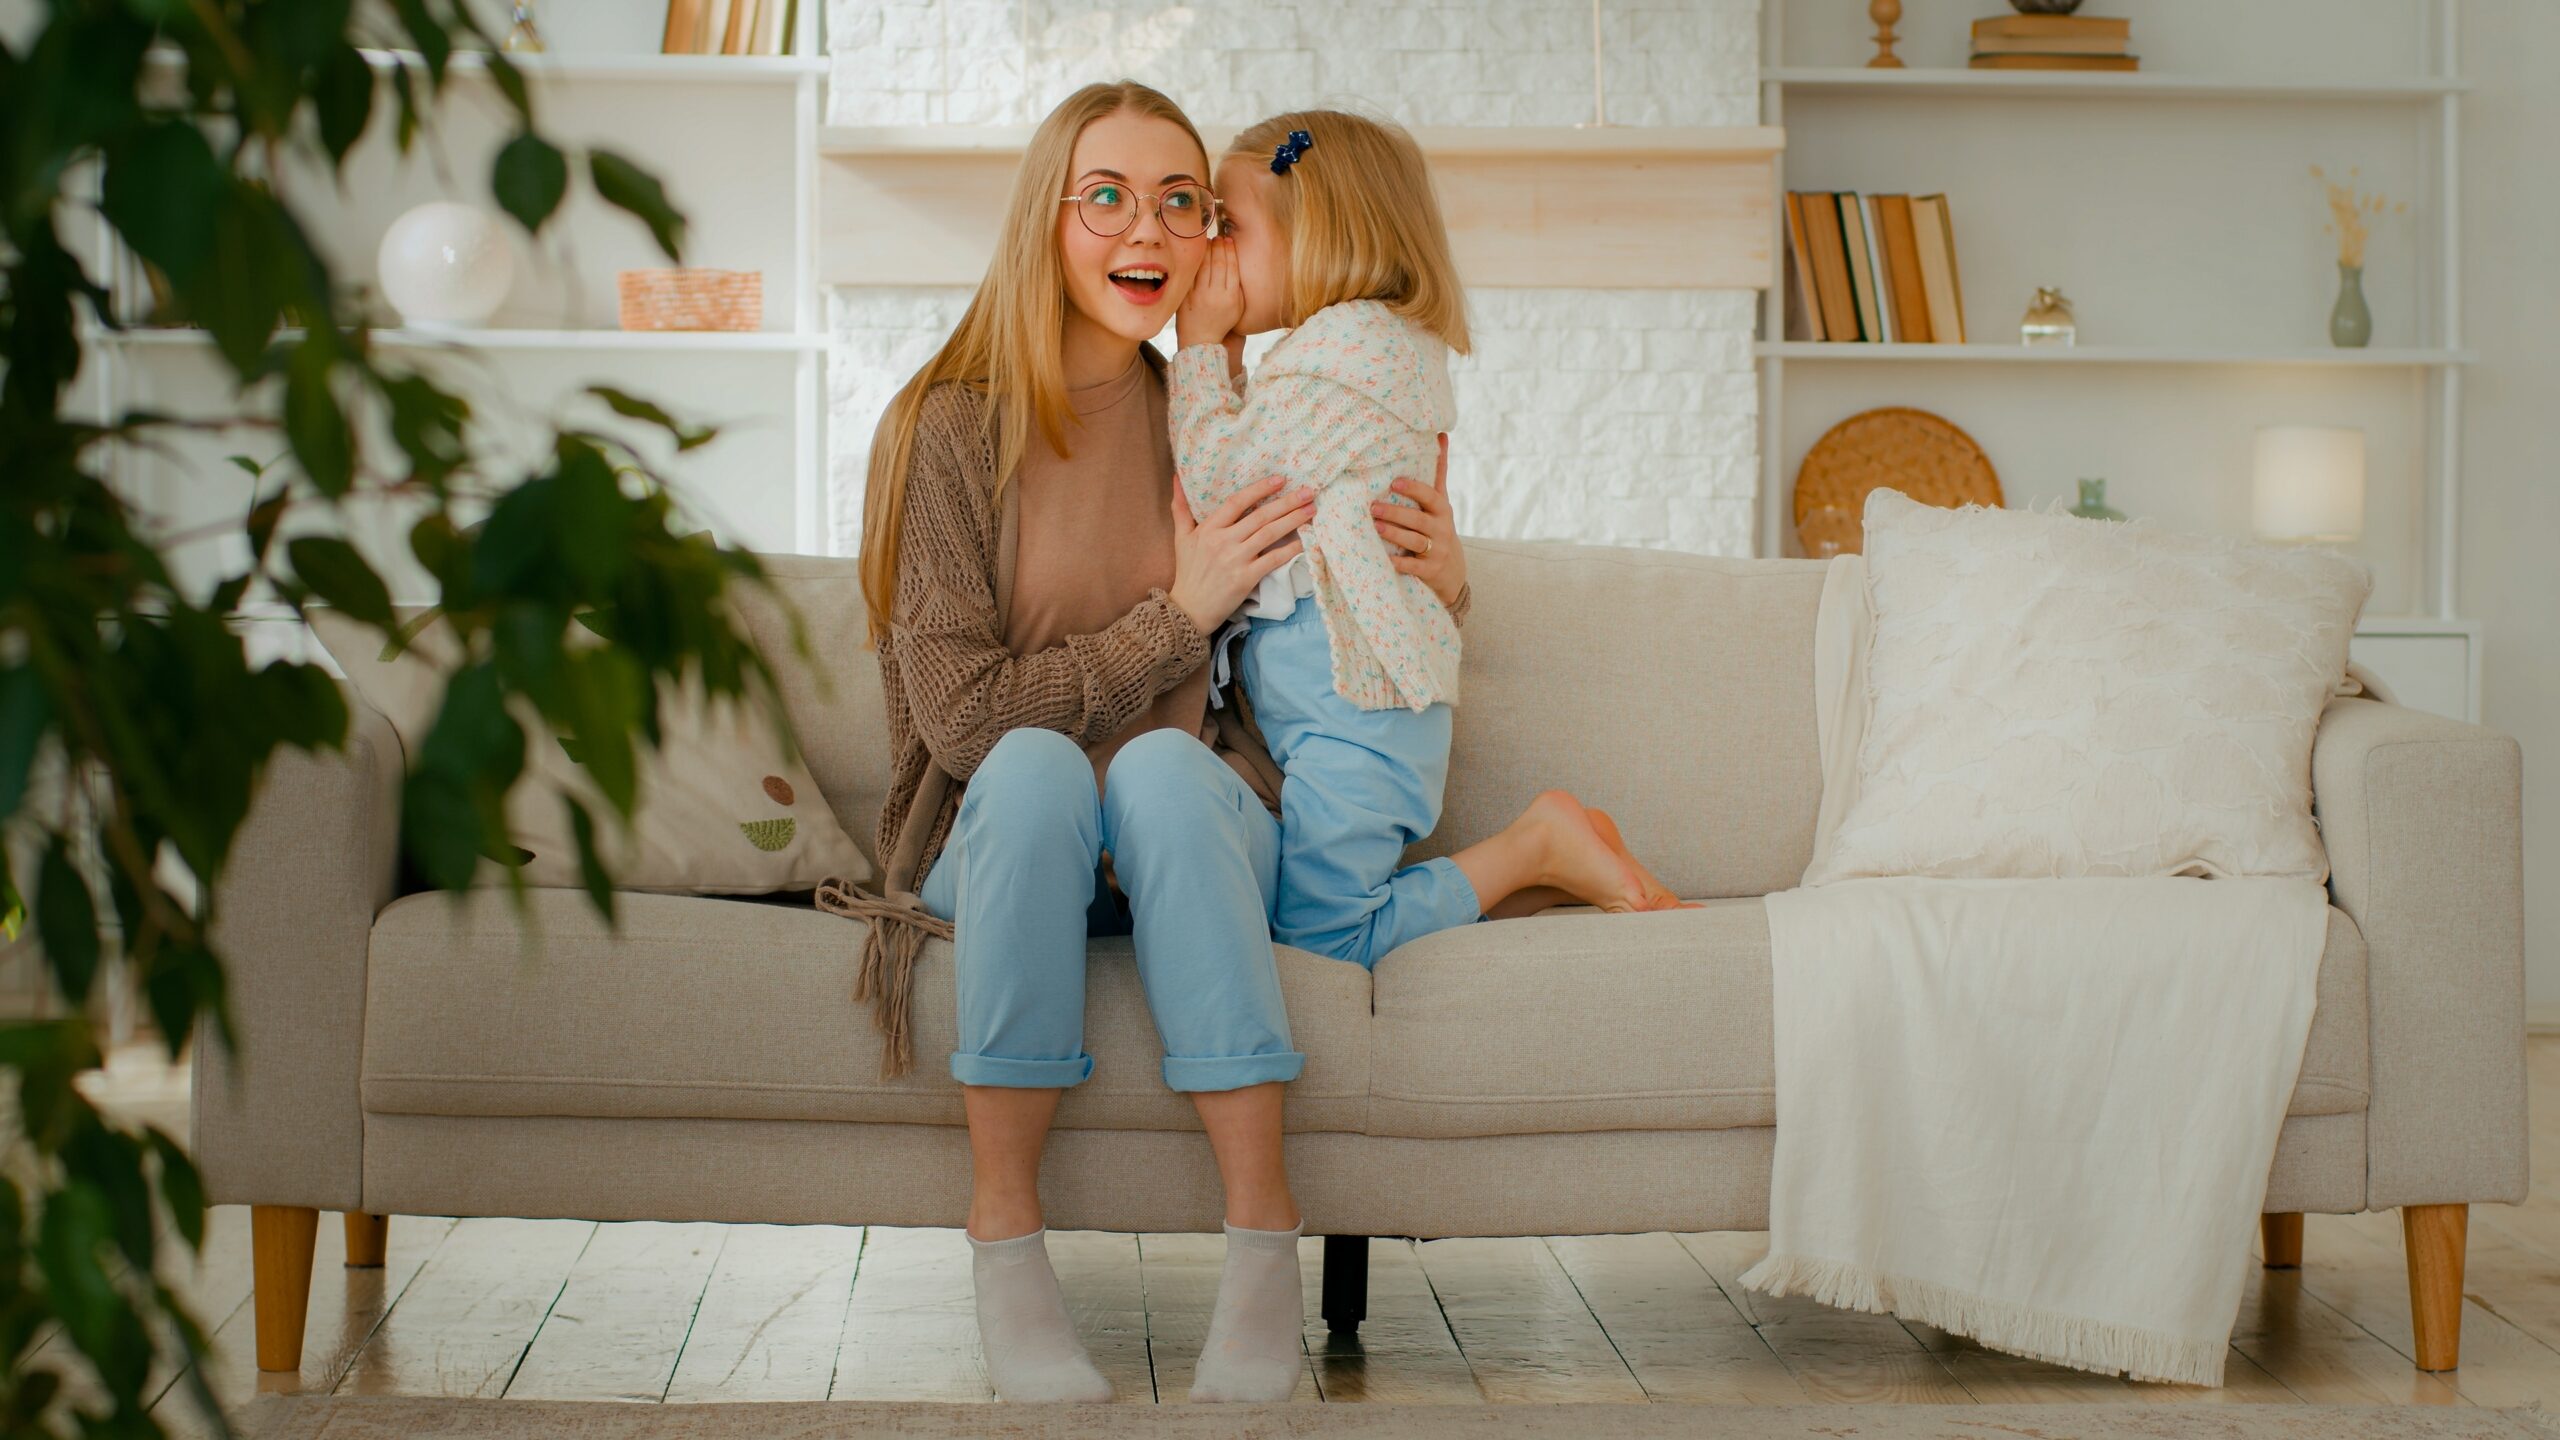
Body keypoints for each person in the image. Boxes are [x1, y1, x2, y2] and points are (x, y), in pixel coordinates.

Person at [824, 80, 1680, 1405]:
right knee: (1044, 767)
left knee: (1167, 768)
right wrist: (1176, 621)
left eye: (1186, 202)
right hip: (998, 837)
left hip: (1182, 833)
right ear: (1046, 221)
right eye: (1105, 196)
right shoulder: (947, 423)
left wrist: (1442, 576)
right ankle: (1006, 1250)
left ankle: (1261, 1254)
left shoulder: (1214, 404)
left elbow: (1342, 558)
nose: (1150, 229)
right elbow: (960, 720)